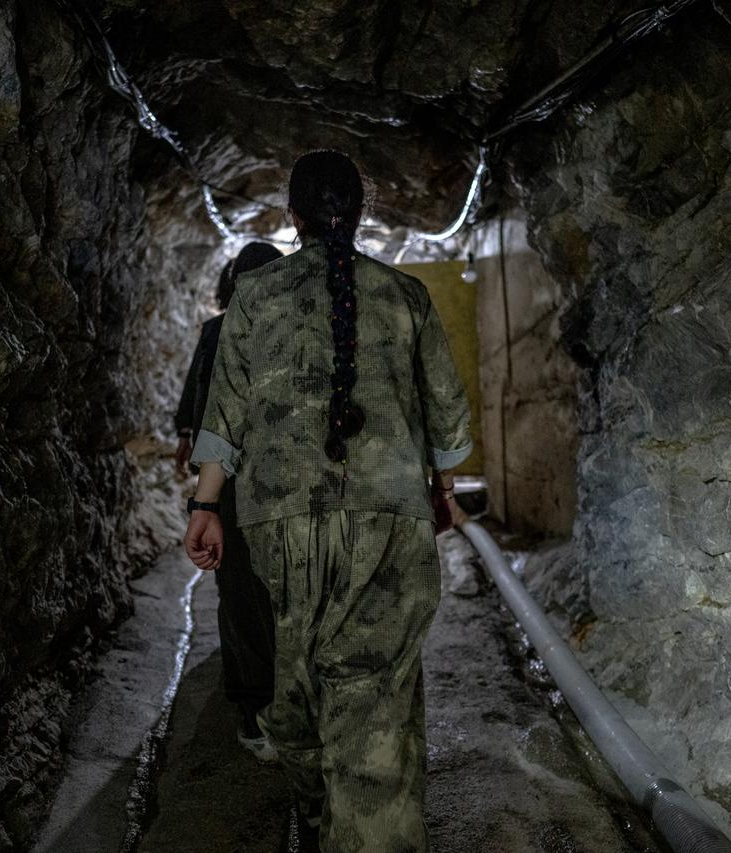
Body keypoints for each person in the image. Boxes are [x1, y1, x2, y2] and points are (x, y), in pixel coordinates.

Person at [184, 149, 472, 852]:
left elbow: (223, 416)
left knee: (295, 693)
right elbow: (449, 417)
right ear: (362, 214)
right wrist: (444, 491)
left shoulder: (255, 297)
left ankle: (316, 824)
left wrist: (205, 505)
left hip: (277, 524)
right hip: (389, 522)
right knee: (374, 702)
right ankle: (367, 829)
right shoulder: (406, 296)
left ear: (294, 219)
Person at [174, 241, 283, 760]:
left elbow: (201, 402)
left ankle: (255, 709)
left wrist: (203, 486)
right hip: (277, 483)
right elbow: (201, 399)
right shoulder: (293, 329)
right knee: (265, 594)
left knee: (241, 596)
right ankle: (267, 706)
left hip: (235, 485)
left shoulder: (219, 330)